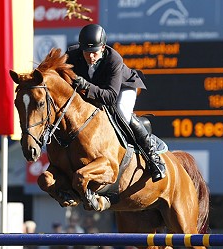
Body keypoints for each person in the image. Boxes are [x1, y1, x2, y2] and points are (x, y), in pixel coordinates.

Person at [66, 24, 166, 185]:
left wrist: (86, 86)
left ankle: (153, 156)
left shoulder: (114, 59)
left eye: (94, 53)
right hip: (95, 89)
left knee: (122, 114)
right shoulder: (72, 55)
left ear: (103, 47)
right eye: (86, 52)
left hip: (122, 88)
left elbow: (111, 96)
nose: (90, 57)